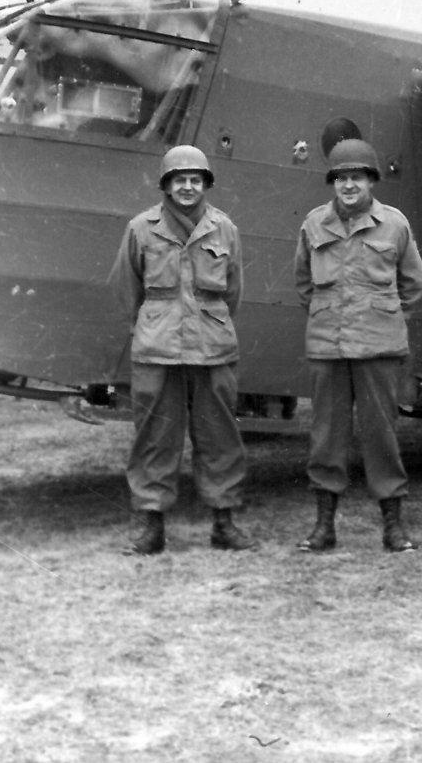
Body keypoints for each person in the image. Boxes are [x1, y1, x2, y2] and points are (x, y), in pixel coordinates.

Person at [109, 145, 255, 555]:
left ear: (205, 184)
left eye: (195, 179)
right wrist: (152, 327)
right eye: (179, 180)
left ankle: (224, 524)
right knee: (155, 438)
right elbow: (127, 289)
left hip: (213, 349)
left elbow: (234, 292)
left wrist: (211, 323)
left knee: (220, 436)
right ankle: (151, 526)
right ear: (166, 185)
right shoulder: (141, 228)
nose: (187, 187)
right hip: (158, 349)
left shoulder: (224, 229)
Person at [293, 138, 422, 553]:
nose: (349, 185)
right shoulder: (314, 225)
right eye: (341, 178)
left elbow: (413, 284)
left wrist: (380, 317)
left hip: (378, 348)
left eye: (357, 177)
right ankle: (323, 528)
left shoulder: (394, 225)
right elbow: (303, 284)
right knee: (326, 437)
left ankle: (393, 527)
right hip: (328, 348)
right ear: (333, 183)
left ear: (371, 181)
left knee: (381, 436)